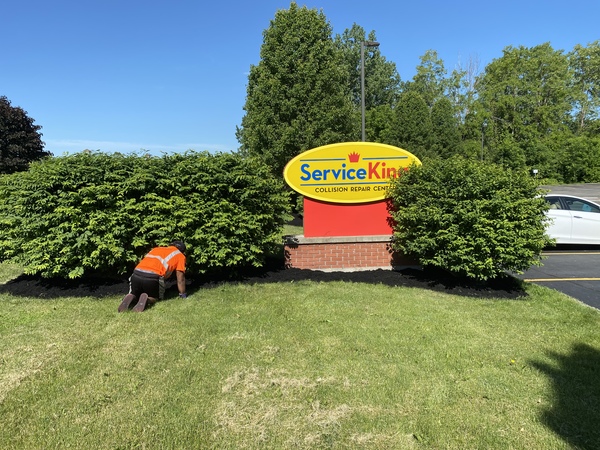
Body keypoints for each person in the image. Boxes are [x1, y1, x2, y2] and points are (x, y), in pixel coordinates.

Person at [118, 241, 188, 312]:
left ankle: (131, 296)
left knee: (135, 293)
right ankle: (147, 300)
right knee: (157, 298)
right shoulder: (180, 255)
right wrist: (183, 294)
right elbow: (180, 278)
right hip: (153, 278)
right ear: (182, 251)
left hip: (136, 274)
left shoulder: (156, 249)